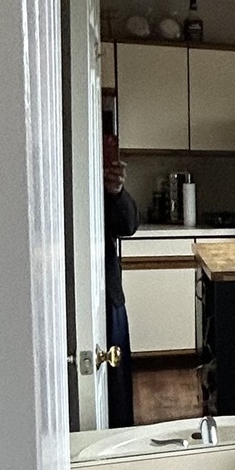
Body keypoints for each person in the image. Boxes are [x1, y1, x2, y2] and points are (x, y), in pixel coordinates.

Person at [102, 131, 138, 427]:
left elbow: (128, 225)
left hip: (109, 289)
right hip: (97, 291)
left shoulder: (104, 190)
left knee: (116, 380)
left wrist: (116, 192)